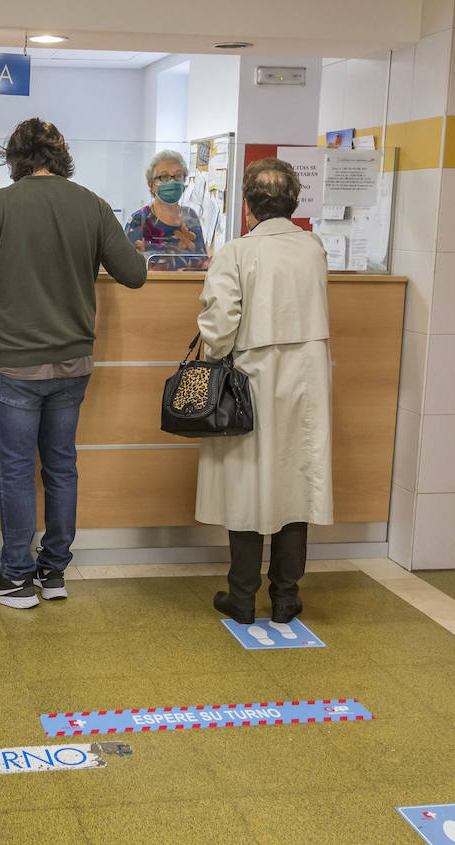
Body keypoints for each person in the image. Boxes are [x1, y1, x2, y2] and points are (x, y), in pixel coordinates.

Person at [0, 118, 147, 608]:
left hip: (13, 365)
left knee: (17, 471)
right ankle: (53, 571)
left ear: (14, 158)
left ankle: (16, 579)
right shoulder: (93, 205)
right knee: (62, 467)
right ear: (61, 156)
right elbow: (133, 274)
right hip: (73, 362)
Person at [196, 157, 333, 626]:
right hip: (308, 380)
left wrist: (214, 355)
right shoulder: (313, 247)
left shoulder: (236, 252)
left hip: (251, 378)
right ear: (294, 203)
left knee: (248, 485)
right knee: (297, 479)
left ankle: (241, 598)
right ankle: (285, 597)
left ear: (248, 206)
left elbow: (218, 328)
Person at [124, 150, 208, 271]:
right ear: (150, 184)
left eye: (178, 175)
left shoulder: (191, 216)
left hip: (192, 288)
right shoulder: (139, 220)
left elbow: (202, 261)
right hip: (151, 289)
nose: (172, 181)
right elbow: (127, 269)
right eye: (164, 177)